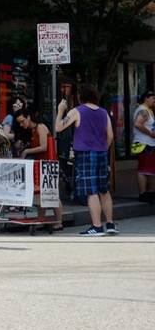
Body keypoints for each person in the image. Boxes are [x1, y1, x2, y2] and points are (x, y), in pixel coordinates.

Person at [55, 83, 117, 236]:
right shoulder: (103, 112)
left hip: (85, 154)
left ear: (80, 96)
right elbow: (110, 136)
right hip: (102, 152)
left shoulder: (77, 111)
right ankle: (110, 224)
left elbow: (59, 127)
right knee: (104, 189)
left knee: (91, 190)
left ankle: (96, 226)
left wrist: (60, 110)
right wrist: (103, 147)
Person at [16, 109, 64, 230]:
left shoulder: (40, 127)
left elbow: (44, 147)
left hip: (48, 163)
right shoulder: (32, 130)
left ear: (28, 117)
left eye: (22, 121)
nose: (22, 124)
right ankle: (41, 219)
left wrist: (27, 151)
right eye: (20, 123)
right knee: (42, 194)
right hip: (41, 164)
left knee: (52, 194)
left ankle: (59, 222)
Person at [131, 90, 155, 202]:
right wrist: (150, 133)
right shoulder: (143, 111)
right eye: (153, 98)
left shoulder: (147, 110)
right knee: (144, 169)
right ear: (146, 98)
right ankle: (144, 193)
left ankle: (149, 192)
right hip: (144, 143)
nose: (154, 101)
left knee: (149, 169)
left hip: (148, 143)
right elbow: (137, 124)